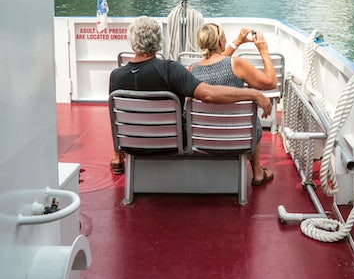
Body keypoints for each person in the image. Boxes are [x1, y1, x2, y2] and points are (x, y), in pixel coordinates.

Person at [109, 16, 272, 174]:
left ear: (132, 44)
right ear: (159, 41)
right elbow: (208, 94)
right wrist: (253, 94)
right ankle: (256, 170)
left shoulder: (116, 76)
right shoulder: (170, 70)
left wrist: (118, 153)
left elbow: (116, 117)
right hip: (169, 143)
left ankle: (117, 157)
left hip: (130, 145)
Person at [191, 23, 277, 186]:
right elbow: (271, 82)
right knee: (253, 119)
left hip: (203, 142)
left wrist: (236, 42)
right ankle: (257, 172)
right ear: (221, 42)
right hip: (241, 141)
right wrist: (263, 51)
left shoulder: (191, 70)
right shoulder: (237, 64)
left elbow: (216, 63)